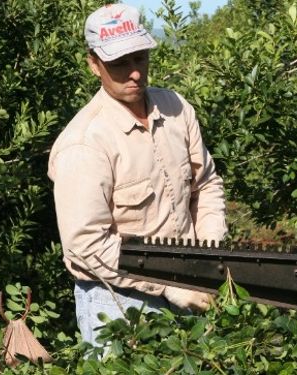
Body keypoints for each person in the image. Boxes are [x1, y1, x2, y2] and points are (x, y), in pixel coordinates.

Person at [47, 3, 227, 346]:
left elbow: (206, 184)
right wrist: (167, 284)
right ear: (94, 65)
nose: (134, 74)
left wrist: (210, 254)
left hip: (191, 285)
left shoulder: (176, 108)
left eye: (140, 59)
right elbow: (85, 246)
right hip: (117, 300)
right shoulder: (85, 143)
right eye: (119, 64)